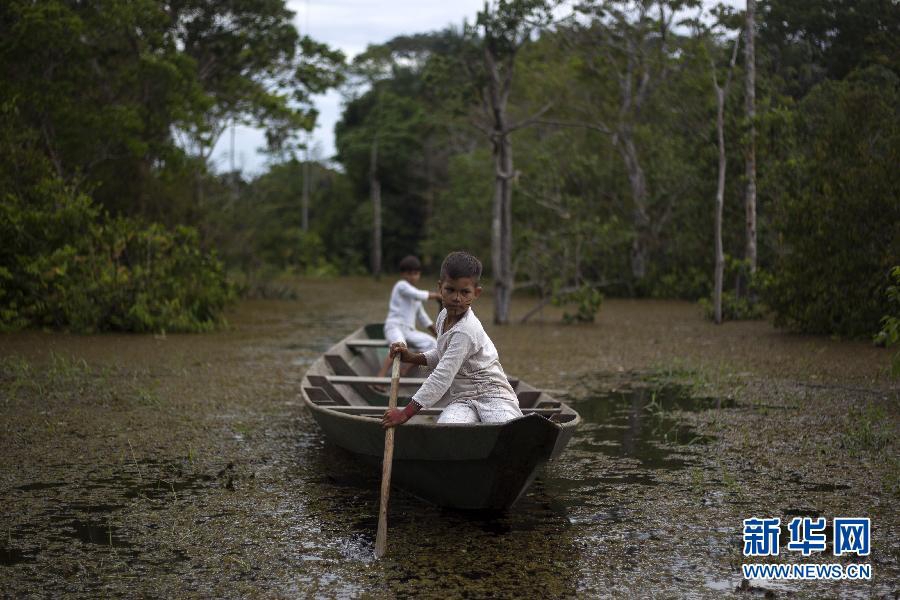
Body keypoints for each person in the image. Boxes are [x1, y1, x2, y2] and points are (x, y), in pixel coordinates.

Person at [381, 251, 524, 427]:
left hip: (493, 395)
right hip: (462, 398)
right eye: (450, 290)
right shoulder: (443, 316)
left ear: (476, 293)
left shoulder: (466, 330)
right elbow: (442, 354)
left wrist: (405, 414)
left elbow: (442, 376)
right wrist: (412, 357)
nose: (457, 298)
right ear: (440, 288)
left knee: (505, 429)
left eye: (465, 292)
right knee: (447, 428)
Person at [375, 255, 441, 381]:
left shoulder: (417, 297)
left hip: (409, 331)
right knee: (400, 345)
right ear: (403, 274)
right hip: (394, 327)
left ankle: (406, 369)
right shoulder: (401, 286)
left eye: (416, 273)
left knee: (433, 344)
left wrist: (439, 335)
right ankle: (380, 378)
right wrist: (437, 296)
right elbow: (418, 294)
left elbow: (424, 319)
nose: (413, 277)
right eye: (409, 273)